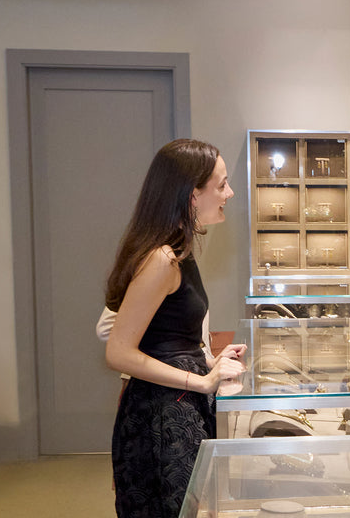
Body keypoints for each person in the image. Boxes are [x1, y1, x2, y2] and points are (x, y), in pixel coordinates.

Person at [104, 139, 247, 518]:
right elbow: (118, 352)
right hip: (163, 416)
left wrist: (212, 361)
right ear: (191, 195)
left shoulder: (178, 252)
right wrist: (201, 381)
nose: (229, 194)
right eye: (221, 185)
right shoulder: (162, 258)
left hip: (177, 406)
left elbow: (168, 340)